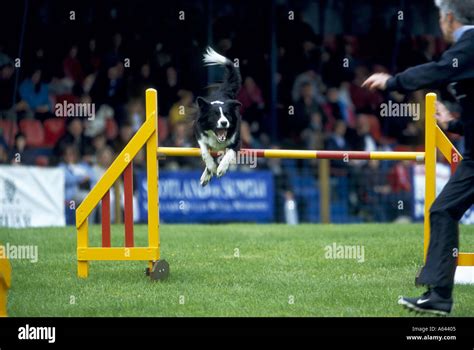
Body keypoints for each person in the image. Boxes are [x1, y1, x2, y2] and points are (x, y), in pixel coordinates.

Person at [362, 0, 474, 315]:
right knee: (443, 210)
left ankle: (438, 294)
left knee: (443, 211)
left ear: (449, 18)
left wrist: (392, 81)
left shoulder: (469, 44)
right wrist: (452, 124)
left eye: (440, 17)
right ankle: (438, 295)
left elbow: (438, 70)